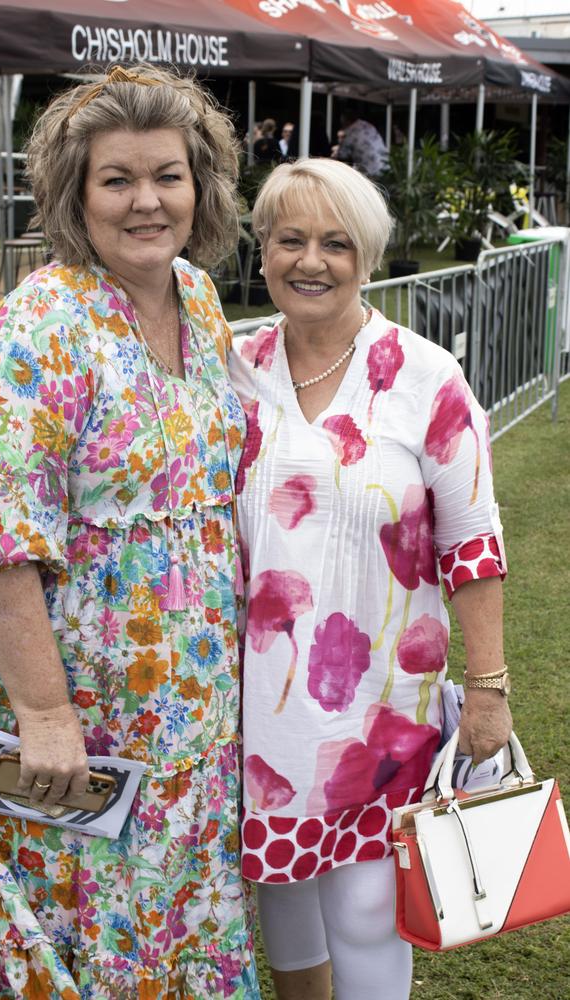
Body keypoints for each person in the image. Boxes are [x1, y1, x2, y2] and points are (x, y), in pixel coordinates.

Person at [0, 63, 260, 999]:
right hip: (63, 711)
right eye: (118, 179)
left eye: (168, 175)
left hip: (180, 707)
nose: (146, 200)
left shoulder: (197, 300)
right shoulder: (41, 325)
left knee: (172, 909)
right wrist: (45, 716)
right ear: (77, 194)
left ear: (203, 186)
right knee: (82, 931)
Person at [229, 158, 511, 1000]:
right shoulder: (230, 369)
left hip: (380, 707)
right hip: (255, 701)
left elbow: (472, 545)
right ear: (264, 250)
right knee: (280, 893)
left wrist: (489, 685)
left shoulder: (426, 379)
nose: (310, 260)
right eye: (290, 240)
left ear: (371, 257)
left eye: (336, 243)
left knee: (362, 908)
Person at [335, 106, 389, 177]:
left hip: (370, 171)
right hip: (385, 165)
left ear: (346, 120)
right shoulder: (366, 125)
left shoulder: (350, 132)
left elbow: (342, 156)